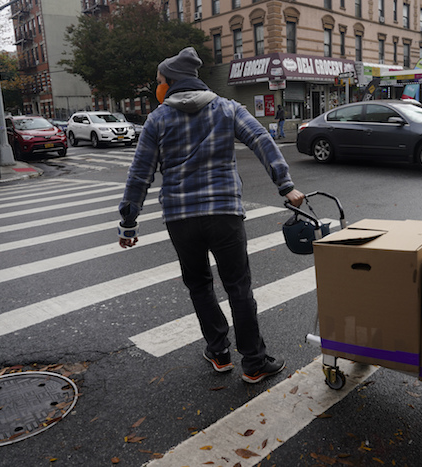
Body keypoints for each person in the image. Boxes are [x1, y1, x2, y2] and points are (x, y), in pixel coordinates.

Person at [118, 47, 305, 383]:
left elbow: (139, 174)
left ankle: (218, 352)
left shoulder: (157, 120)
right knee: (239, 287)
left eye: (159, 81)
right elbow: (261, 139)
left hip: (180, 218)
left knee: (200, 285)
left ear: (171, 82)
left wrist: (129, 222)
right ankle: (254, 361)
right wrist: (285, 185)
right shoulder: (227, 108)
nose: (158, 87)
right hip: (224, 213)